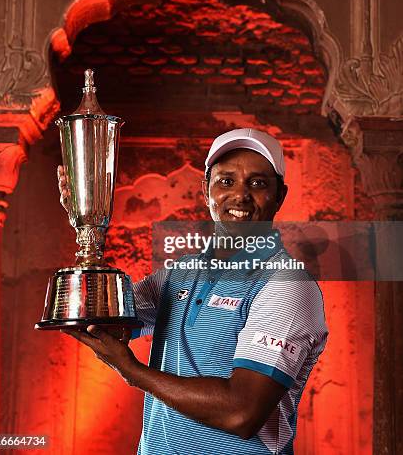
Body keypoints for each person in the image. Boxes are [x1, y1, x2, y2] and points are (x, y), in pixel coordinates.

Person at [58, 128, 328, 454]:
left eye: (257, 183)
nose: (240, 195)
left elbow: (241, 412)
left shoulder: (288, 287)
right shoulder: (181, 272)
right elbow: (103, 318)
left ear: (279, 195)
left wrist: (132, 371)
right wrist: (86, 227)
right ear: (206, 191)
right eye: (226, 181)